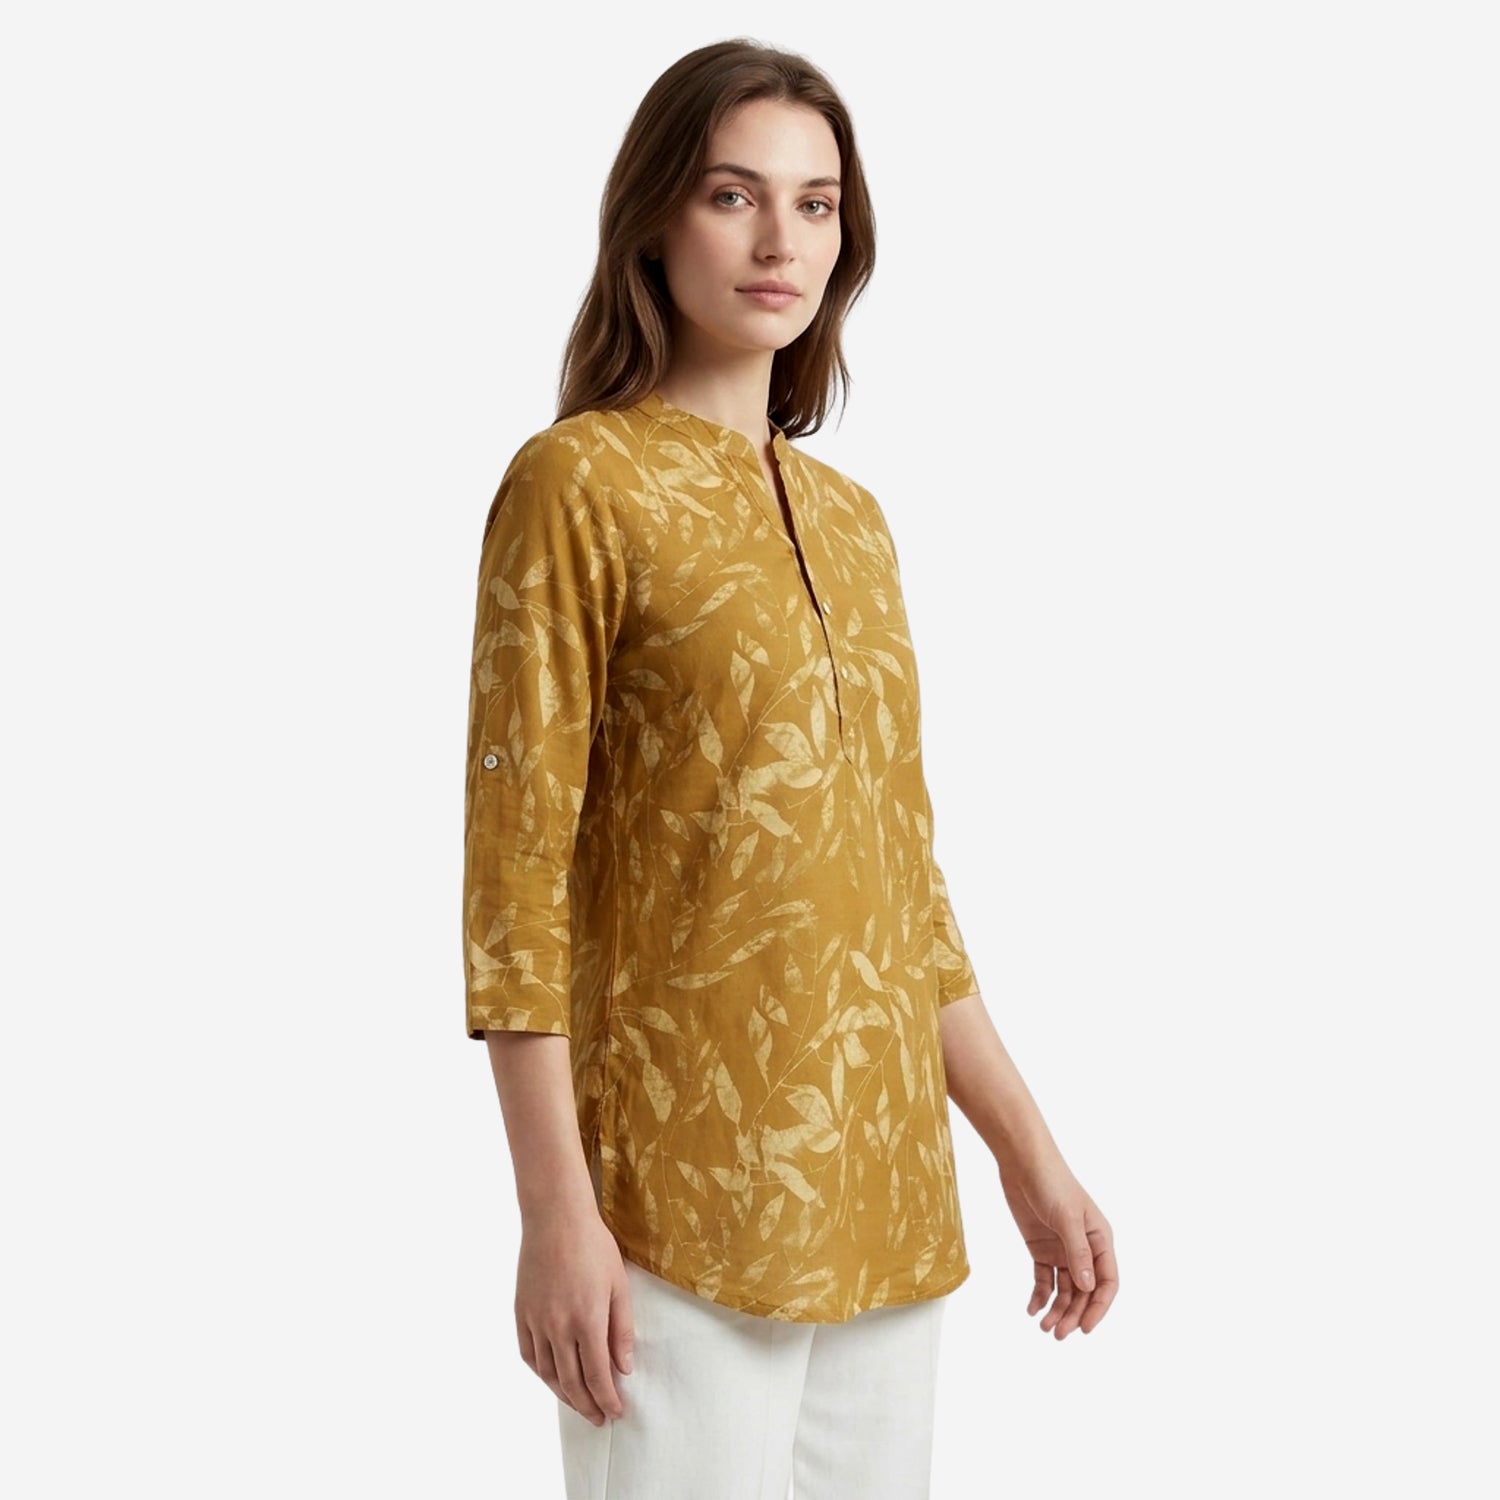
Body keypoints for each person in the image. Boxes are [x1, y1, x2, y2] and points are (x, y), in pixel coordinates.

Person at [462, 38, 1118, 1500]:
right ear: (653, 219)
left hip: (888, 1205)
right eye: (732, 195)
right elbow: (515, 883)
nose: (780, 241)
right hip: (674, 1208)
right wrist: (554, 1213)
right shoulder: (579, 484)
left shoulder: (855, 521)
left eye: (815, 204)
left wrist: (1028, 1154)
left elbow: (900, 888)